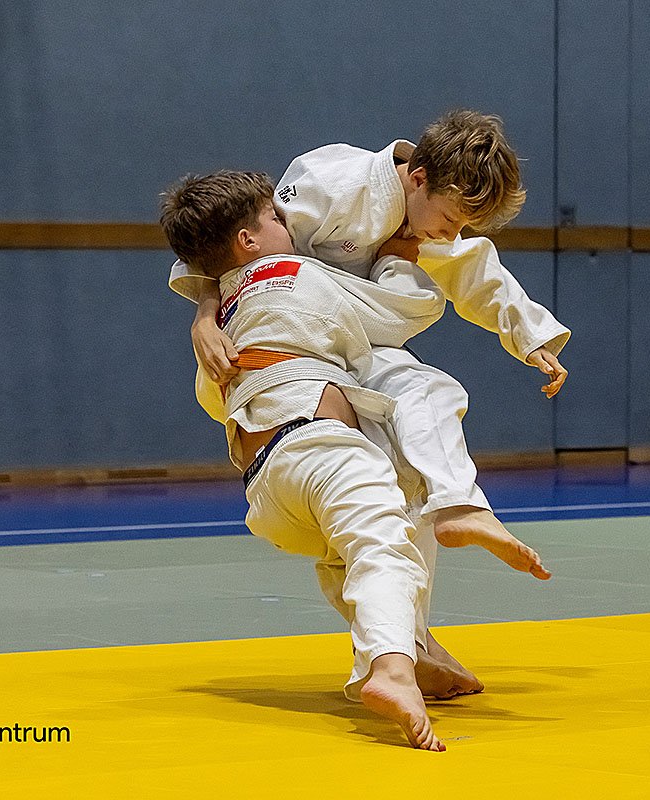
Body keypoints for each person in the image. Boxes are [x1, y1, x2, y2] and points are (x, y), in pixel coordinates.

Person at [159, 170, 550, 751]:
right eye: (274, 217)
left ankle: (414, 648)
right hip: (318, 450)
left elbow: (212, 399)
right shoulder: (296, 273)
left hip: (265, 487)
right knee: (383, 540)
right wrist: (396, 257)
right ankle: (390, 668)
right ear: (248, 240)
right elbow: (402, 312)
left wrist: (206, 312)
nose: (287, 221)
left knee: (376, 520)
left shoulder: (221, 322)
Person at [170, 110, 570, 558]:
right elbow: (229, 245)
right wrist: (205, 316)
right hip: (279, 345)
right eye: (450, 219)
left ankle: (459, 506)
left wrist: (531, 339)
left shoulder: (427, 215)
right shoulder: (331, 183)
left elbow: (475, 270)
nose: (450, 234)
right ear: (418, 178)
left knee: (427, 395)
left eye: (462, 226)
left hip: (350, 339)